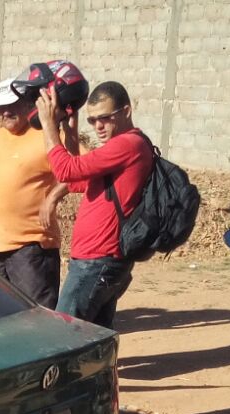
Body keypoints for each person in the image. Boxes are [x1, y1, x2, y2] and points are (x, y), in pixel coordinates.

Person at [36, 80, 153, 328]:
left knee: (63, 333)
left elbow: (65, 170)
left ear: (126, 111)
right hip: (101, 260)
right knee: (94, 336)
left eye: (105, 118)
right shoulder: (123, 148)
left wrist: (47, 124)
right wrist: (69, 132)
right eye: (92, 120)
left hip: (97, 261)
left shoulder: (127, 144)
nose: (98, 126)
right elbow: (75, 179)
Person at [0, 77, 73, 307]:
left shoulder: (47, 135)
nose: (5, 112)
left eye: (12, 105)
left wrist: (52, 198)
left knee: (36, 316)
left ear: (28, 103)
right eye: (0, 107)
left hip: (31, 248)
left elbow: (81, 167)